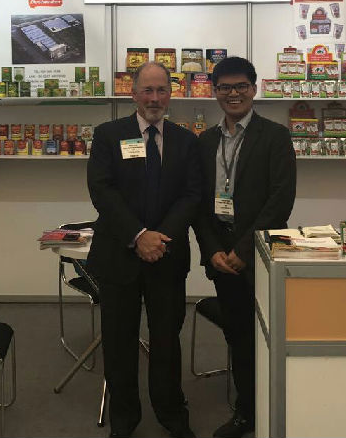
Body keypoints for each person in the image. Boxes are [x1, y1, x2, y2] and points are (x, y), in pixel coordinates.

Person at [87, 61, 201, 438]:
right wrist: (138, 235)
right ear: (133, 93)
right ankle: (124, 418)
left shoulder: (187, 141)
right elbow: (102, 190)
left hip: (167, 256)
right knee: (119, 342)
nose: (154, 98)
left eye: (161, 90)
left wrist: (159, 237)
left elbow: (191, 195)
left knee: (166, 340)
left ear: (171, 95)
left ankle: (171, 413)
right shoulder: (108, 135)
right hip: (119, 255)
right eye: (147, 90)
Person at [194, 56, 296, 438]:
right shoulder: (205, 141)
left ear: (253, 89)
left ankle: (272, 403)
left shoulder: (275, 136)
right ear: (215, 92)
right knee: (237, 334)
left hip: (260, 253)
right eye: (225, 87)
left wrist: (244, 248)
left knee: (266, 334)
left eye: (240, 86)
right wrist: (212, 250)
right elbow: (198, 203)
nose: (233, 94)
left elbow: (280, 201)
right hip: (221, 255)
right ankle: (247, 411)